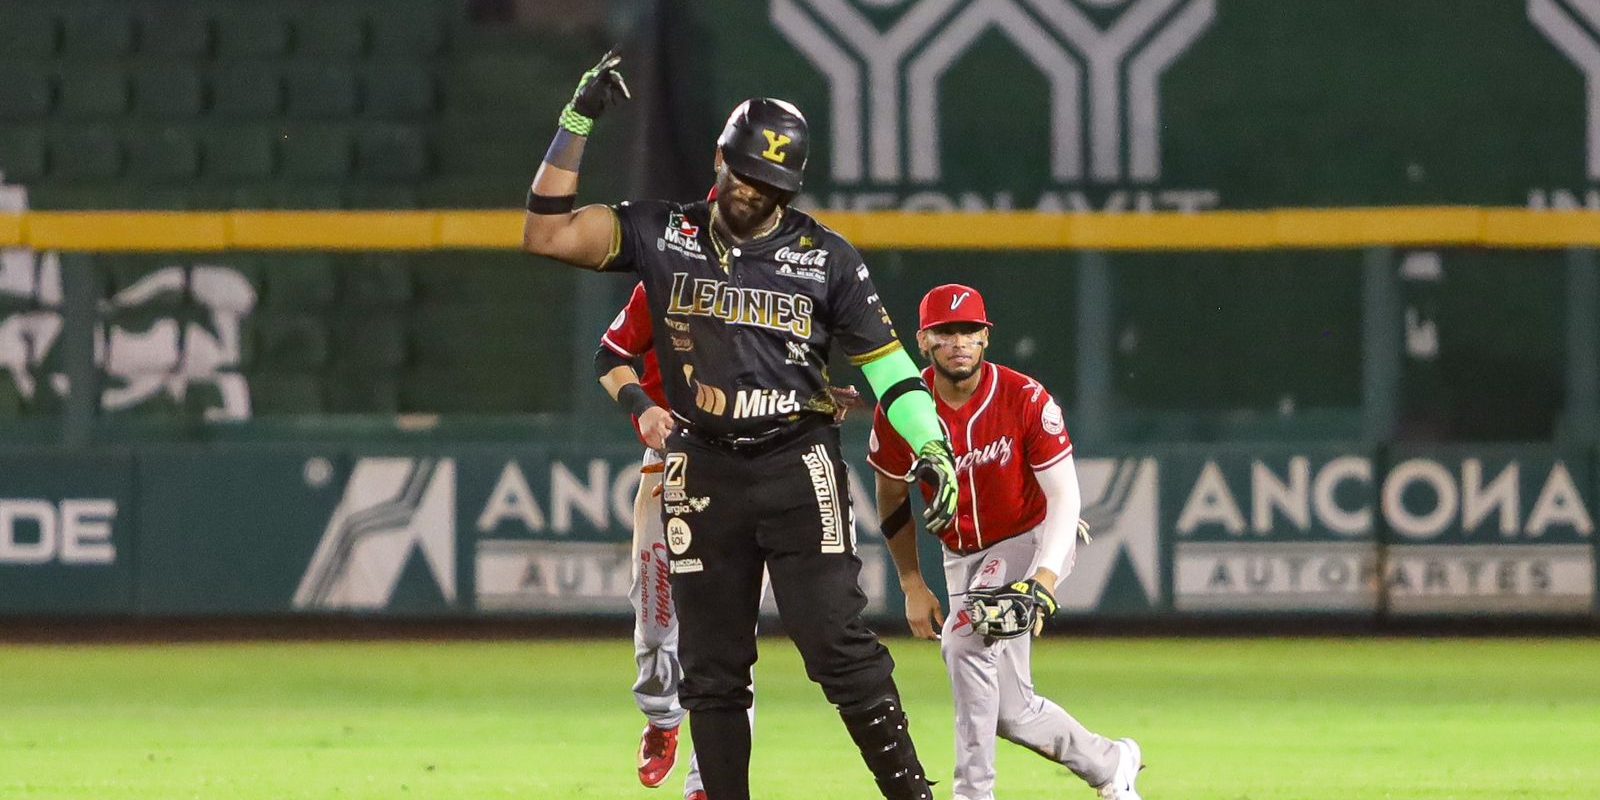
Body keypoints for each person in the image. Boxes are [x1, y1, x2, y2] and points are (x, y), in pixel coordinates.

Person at [521, 50, 961, 800]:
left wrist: (931, 440)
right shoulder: (664, 233)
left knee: (840, 649)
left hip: (798, 465)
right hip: (703, 468)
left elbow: (887, 366)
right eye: (750, 175)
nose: (760, 193)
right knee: (713, 670)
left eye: (777, 185)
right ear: (722, 160)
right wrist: (575, 123)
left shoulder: (827, 259)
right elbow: (547, 235)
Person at [868, 284, 1145, 800]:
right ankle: (1111, 762)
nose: (960, 342)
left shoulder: (1024, 397)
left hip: (1031, 539)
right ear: (924, 340)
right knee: (1011, 713)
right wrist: (910, 580)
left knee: (964, 637)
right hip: (960, 556)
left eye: (970, 330)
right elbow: (890, 494)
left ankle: (973, 793)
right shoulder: (903, 408)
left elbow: (1065, 498)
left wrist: (1042, 578)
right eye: (947, 332)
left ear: (986, 338)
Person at [595, 281, 864, 800]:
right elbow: (610, 354)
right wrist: (641, 404)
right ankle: (662, 715)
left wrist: (817, 401)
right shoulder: (667, 279)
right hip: (675, 464)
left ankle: (706, 786)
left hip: (761, 471)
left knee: (729, 630)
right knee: (654, 617)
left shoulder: (784, 285)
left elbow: (788, 376)